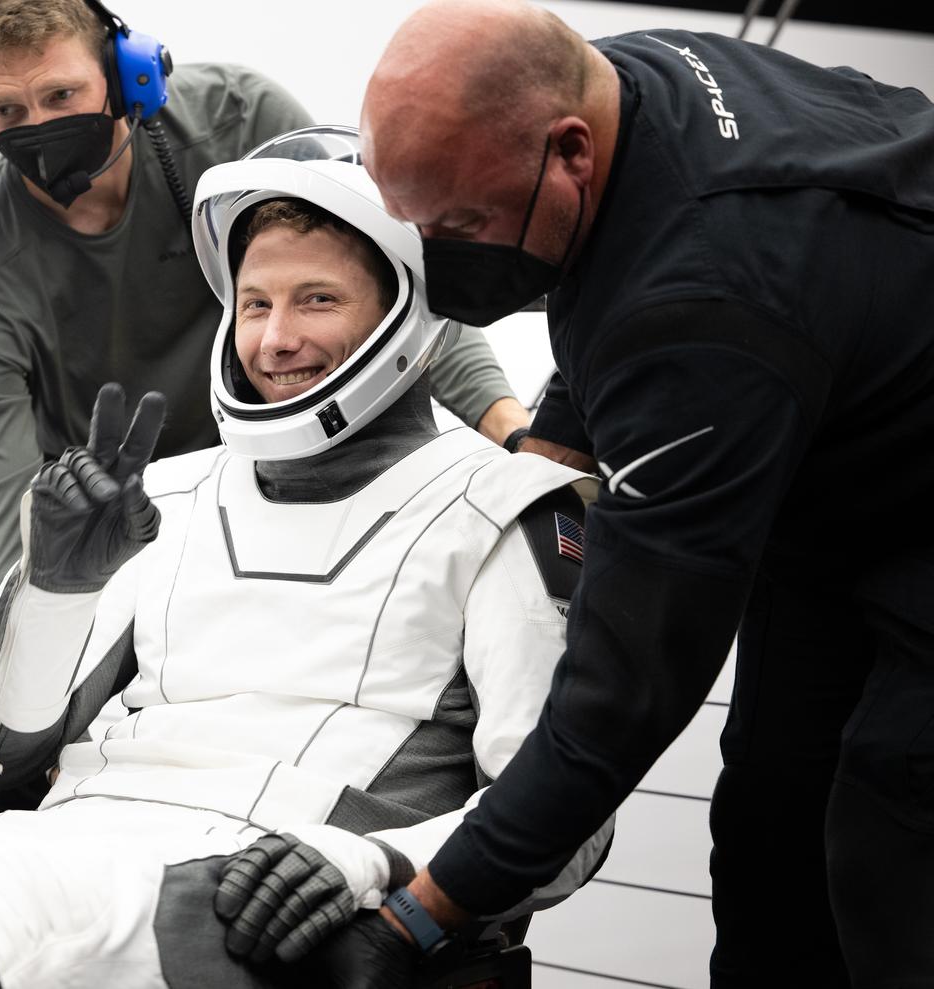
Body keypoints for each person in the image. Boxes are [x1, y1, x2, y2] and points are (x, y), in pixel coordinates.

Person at [0, 128, 609, 989]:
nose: (276, 339)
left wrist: (373, 864)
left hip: (248, 877)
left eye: (317, 301)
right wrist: (56, 586)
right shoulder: (170, 491)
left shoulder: (503, 508)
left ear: (408, 316)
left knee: (1, 893)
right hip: (71, 840)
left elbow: (566, 816)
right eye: (255, 302)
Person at [358, 2, 934, 985]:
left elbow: (624, 690)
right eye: (415, 222)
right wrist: (526, 484)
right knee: (768, 814)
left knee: (886, 833)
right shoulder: (614, 82)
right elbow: (606, 293)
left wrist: (426, 905)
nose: (440, 250)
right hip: (847, 416)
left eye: (460, 221)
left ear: (568, 151)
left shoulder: (702, 308)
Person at [0, 0, 532, 825]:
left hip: (266, 512)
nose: (39, 127)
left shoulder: (241, 121)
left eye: (61, 96)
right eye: (6, 112)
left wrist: (522, 442)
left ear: (127, 74)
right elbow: (6, 518)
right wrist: (56, 615)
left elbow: (393, 279)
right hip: (94, 542)